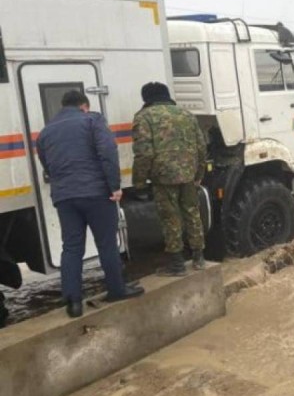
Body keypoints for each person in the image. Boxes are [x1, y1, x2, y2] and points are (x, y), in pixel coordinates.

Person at [36, 91, 144, 318]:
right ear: (84, 106)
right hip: (96, 193)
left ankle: (73, 302)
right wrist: (114, 185)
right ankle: (116, 289)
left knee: (72, 247)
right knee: (106, 243)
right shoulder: (92, 120)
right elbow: (107, 152)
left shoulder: (46, 132)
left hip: (64, 197)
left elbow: (46, 163)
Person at [132, 82, 206, 276]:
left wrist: (139, 183)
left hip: (163, 177)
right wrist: (198, 175)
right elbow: (201, 147)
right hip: (189, 174)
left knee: (170, 218)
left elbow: (144, 153)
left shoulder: (144, 117)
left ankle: (177, 264)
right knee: (192, 212)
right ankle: (199, 258)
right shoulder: (186, 115)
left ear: (146, 98)